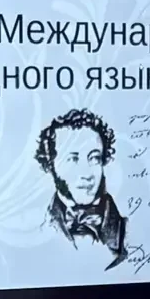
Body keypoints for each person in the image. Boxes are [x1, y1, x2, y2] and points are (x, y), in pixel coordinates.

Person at [37, 107, 128, 268]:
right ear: (50, 165)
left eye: (94, 158)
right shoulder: (37, 230)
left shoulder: (127, 230)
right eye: (72, 159)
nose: (86, 174)